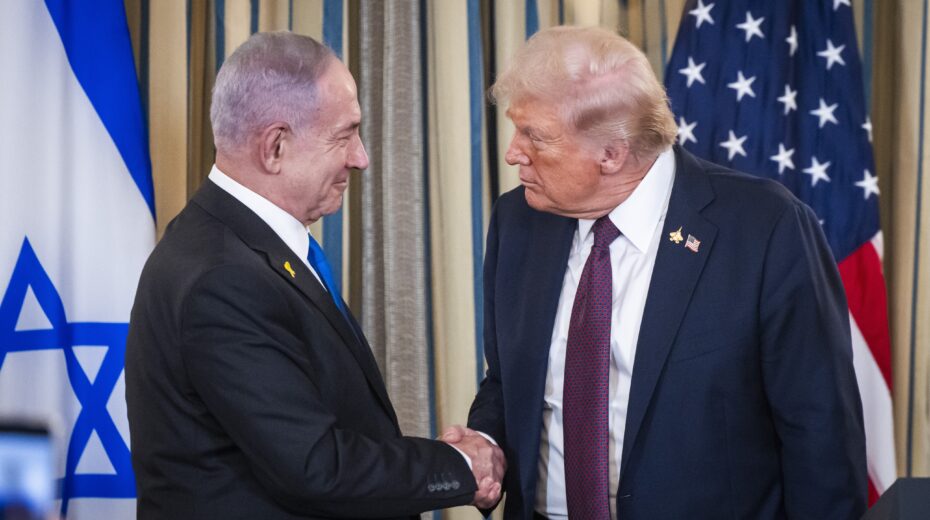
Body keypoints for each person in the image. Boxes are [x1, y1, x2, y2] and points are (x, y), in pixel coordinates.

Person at [447, 26, 867, 519]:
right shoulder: (519, 220)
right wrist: (486, 441)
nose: (514, 152)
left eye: (535, 136)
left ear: (611, 153)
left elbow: (819, 432)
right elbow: (507, 380)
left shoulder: (765, 228)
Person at [125, 31, 504, 519]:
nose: (361, 157)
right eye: (344, 135)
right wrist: (460, 465)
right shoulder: (222, 279)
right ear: (275, 147)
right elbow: (315, 466)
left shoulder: (235, 243)